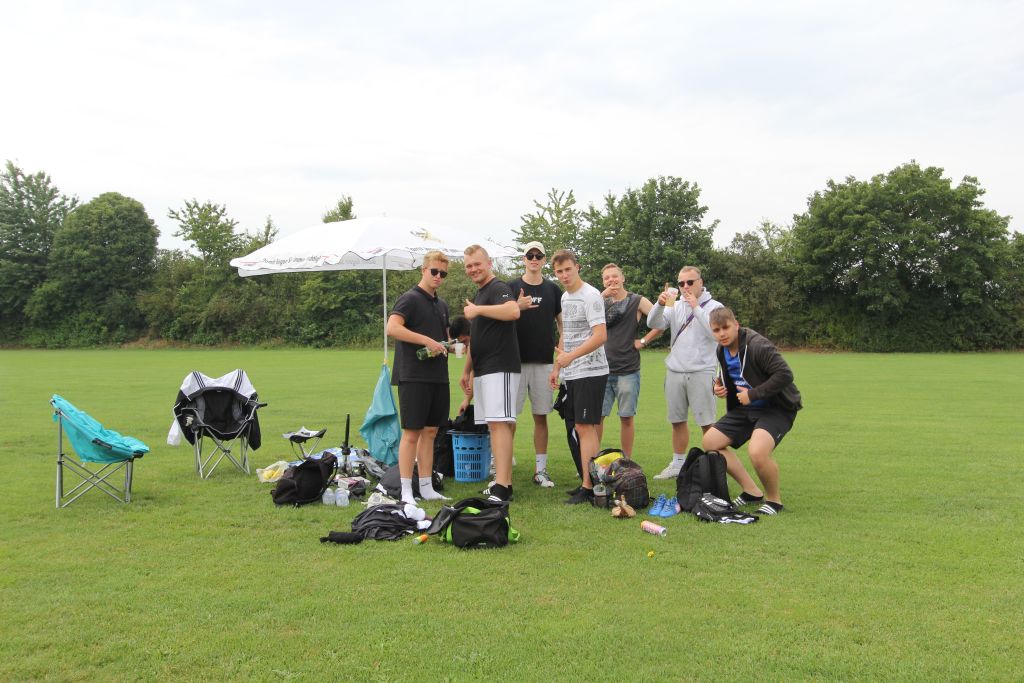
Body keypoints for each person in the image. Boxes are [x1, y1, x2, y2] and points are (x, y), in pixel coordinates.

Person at [703, 307, 802, 515]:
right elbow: (732, 375)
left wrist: (753, 394)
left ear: (736, 325)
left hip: (776, 408)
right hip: (746, 408)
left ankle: (774, 501)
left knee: (757, 452)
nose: (722, 334)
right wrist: (719, 387)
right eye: (716, 330)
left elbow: (785, 374)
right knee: (711, 442)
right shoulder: (721, 349)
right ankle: (751, 491)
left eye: (726, 328)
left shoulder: (758, 346)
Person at [385, 250, 454, 504]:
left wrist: (451, 345)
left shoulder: (442, 305)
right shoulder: (410, 299)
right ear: (423, 270)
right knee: (412, 432)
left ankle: (426, 487)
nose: (438, 277)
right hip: (413, 375)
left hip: (438, 376)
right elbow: (392, 328)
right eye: (434, 271)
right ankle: (405, 489)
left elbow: (444, 340)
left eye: (443, 274)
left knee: (431, 432)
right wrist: (426, 340)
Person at [646, 265, 724, 479]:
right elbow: (653, 323)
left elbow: (715, 333)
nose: (685, 286)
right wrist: (659, 304)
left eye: (690, 282)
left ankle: (713, 465)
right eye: (681, 283)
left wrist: (696, 307)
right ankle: (678, 464)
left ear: (701, 282)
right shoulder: (675, 304)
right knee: (677, 420)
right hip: (675, 370)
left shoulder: (715, 306)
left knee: (707, 423)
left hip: (702, 371)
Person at [460, 245, 521, 503]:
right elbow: (477, 337)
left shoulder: (498, 287)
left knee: (500, 424)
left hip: (500, 366)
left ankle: (503, 487)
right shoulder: (481, 293)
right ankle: (501, 483)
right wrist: (467, 370)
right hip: (484, 368)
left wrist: (478, 310)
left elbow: (513, 310)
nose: (473, 269)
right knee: (493, 426)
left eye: (477, 264)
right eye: (469, 266)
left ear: (489, 264)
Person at [547, 249, 608, 505]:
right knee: (580, 427)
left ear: (577, 267)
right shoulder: (565, 297)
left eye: (568, 269)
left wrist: (571, 357)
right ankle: (588, 482)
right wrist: (557, 368)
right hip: (572, 371)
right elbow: (566, 333)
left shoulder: (591, 295)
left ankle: (590, 486)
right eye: (559, 272)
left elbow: (600, 335)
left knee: (586, 427)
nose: (564, 275)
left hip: (591, 371)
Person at [508, 241, 563, 488]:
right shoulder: (510, 287)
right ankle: (502, 465)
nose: (533, 259)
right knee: (508, 418)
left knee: (541, 416)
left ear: (543, 260)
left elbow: (563, 326)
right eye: (529, 255)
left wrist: (559, 361)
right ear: (523, 259)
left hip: (543, 363)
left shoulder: (553, 289)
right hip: (514, 362)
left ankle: (541, 470)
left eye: (538, 255)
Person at [597, 263, 663, 459]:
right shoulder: (599, 301)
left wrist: (644, 341)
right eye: (607, 278)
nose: (611, 280)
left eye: (614, 276)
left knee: (626, 418)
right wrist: (601, 296)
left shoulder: (637, 300)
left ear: (623, 278)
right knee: (596, 418)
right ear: (603, 282)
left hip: (628, 370)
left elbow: (661, 321)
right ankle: (592, 460)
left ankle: (626, 462)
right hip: (601, 369)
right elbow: (584, 320)